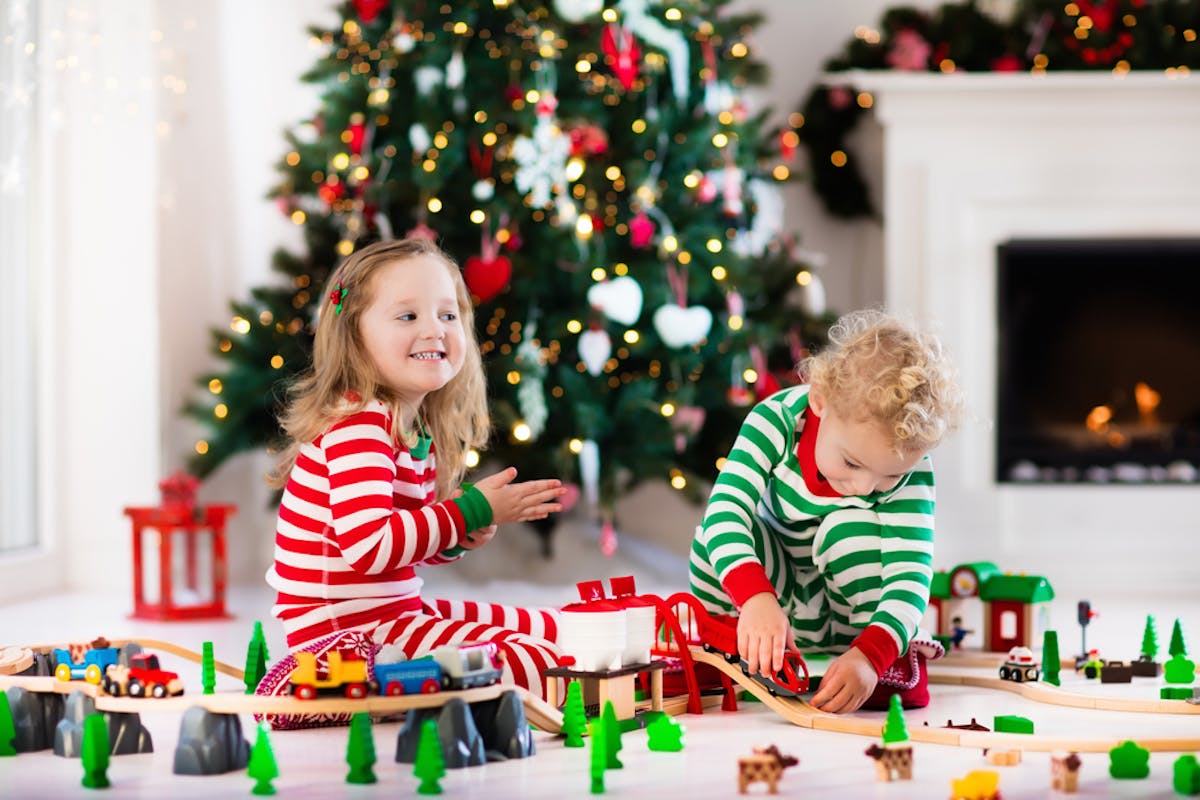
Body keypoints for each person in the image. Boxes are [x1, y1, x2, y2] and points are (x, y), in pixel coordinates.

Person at [264, 237, 567, 699]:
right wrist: (469, 512)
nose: (434, 330)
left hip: (388, 615)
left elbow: (401, 546)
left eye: (448, 315)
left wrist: (458, 535)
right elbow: (370, 547)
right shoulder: (359, 426)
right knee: (535, 656)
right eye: (408, 316)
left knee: (543, 625)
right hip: (345, 640)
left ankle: (619, 640)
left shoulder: (407, 425)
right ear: (354, 336)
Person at [689, 309, 964, 714]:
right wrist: (756, 599)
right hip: (778, 600)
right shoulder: (777, 420)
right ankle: (735, 646)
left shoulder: (913, 466)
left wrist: (870, 656)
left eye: (890, 476)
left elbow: (909, 578)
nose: (864, 488)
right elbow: (725, 512)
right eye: (852, 463)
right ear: (820, 401)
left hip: (852, 619)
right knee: (710, 538)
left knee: (847, 527)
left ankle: (874, 662)